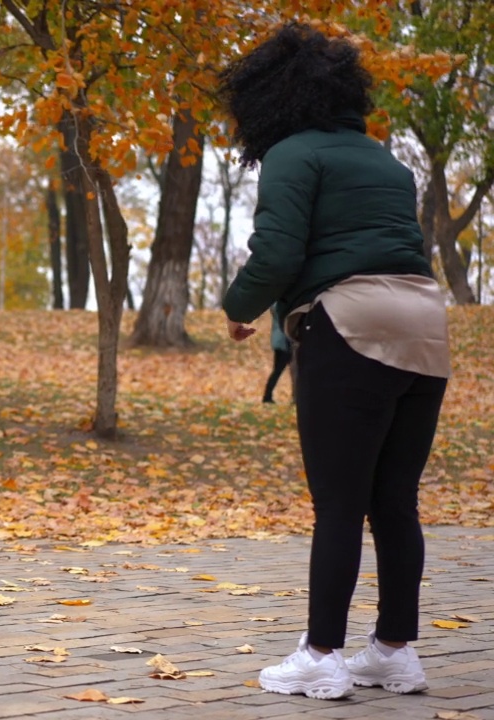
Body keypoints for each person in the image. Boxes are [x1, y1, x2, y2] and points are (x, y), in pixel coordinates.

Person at [218, 23, 449, 700]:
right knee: (396, 502)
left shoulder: (292, 153)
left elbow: (280, 251)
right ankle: (395, 652)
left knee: (340, 504)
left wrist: (240, 305)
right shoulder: (387, 161)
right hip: (424, 327)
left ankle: (322, 656)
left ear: (270, 99)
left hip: (348, 325)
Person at [263, 303, 292, 404]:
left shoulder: (276, 305)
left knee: (278, 371)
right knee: (279, 370)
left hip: (280, 341)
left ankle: (267, 396)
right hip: (284, 342)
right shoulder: (280, 306)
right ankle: (267, 396)